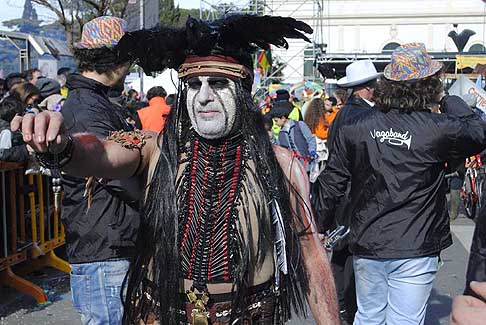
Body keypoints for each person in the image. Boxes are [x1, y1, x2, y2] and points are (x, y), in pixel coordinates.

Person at [13, 15, 339, 325]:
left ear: (243, 91)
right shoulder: (156, 150)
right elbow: (100, 153)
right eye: (194, 84)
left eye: (218, 83)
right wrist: (62, 145)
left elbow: (311, 257)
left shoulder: (281, 163)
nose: (204, 97)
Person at [316, 42, 486, 325]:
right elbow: (478, 130)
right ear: (429, 86)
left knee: (369, 315)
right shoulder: (437, 129)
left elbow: (332, 181)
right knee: (404, 320)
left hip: (369, 239)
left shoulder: (356, 127)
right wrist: (447, 100)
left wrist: (318, 227)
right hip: (415, 243)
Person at [58, 16, 141, 325]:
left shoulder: (94, 102)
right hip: (104, 246)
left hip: (110, 241)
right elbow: (110, 171)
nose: (131, 66)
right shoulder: (87, 108)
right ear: (116, 59)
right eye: (128, 58)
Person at [315, 59, 381, 324]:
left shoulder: (346, 111)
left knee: (342, 256)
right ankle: (346, 310)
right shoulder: (362, 115)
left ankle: (342, 308)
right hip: (355, 194)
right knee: (350, 260)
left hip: (344, 194)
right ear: (369, 88)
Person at [272, 100, 318, 173]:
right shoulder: (281, 133)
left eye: (276, 121)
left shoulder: (300, 125)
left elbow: (310, 139)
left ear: (283, 118)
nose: (276, 124)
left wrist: (312, 151)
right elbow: (279, 147)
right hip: (293, 167)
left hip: (306, 163)